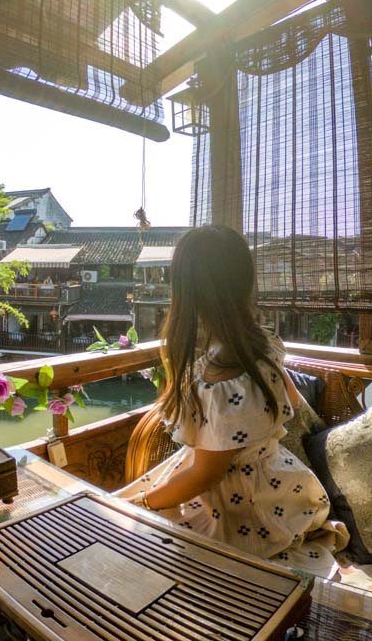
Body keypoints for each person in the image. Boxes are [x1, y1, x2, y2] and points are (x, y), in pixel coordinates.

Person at [116, 225, 348, 576]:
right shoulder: (263, 347)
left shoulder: (220, 378)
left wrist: (145, 502)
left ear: (188, 291)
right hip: (276, 482)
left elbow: (206, 475)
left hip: (234, 506)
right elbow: (293, 403)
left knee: (120, 528)